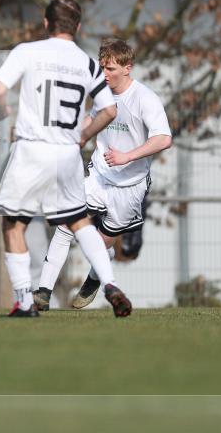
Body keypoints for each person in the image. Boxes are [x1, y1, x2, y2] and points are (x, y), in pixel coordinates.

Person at [0, 0, 132, 318]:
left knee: (14, 225)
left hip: (32, 148)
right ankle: (108, 282)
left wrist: (3, 113)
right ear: (78, 27)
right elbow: (109, 110)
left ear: (45, 23)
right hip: (67, 154)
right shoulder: (88, 63)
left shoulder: (28, 51)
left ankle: (25, 302)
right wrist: (83, 135)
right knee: (80, 221)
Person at [38, 39, 172, 309]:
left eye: (110, 68)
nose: (105, 74)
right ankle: (42, 293)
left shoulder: (145, 98)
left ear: (127, 68)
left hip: (130, 185)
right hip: (99, 175)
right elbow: (91, 121)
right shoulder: (103, 95)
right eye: (102, 68)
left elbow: (164, 138)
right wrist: (71, 139)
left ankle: (95, 276)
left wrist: (128, 156)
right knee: (66, 224)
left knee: (103, 242)